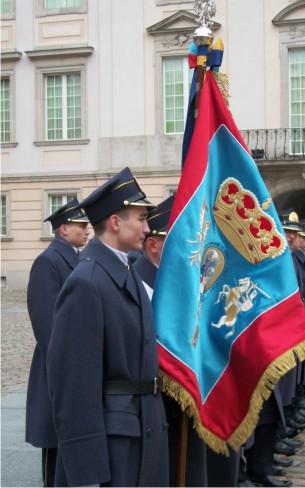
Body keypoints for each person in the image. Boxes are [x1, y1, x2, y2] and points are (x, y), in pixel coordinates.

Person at [46, 168, 169, 487]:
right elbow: (73, 387)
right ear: (116, 222)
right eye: (140, 219)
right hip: (114, 446)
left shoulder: (124, 271)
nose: (146, 227)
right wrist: (86, 474)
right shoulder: (87, 283)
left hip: (143, 431)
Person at [135, 195, 208, 487]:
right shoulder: (138, 282)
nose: (193, 246)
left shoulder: (181, 281)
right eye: (181, 239)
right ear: (154, 245)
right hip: (157, 403)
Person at [25, 199, 89, 487]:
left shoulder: (77, 259)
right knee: (55, 448)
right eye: (81, 225)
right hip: (56, 366)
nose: (87, 230)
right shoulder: (48, 261)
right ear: (63, 229)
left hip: (73, 364)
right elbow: (46, 324)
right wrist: (65, 364)